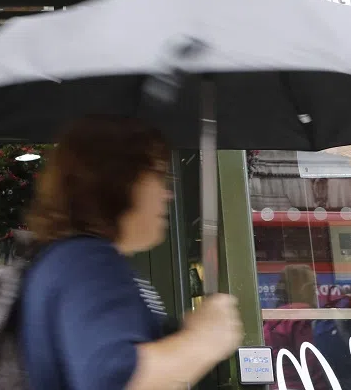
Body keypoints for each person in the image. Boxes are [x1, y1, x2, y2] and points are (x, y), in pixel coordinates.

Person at [20, 115, 243, 390]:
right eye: (159, 176)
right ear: (121, 180)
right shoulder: (89, 264)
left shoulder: (66, 260)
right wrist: (204, 339)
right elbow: (115, 379)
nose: (167, 194)